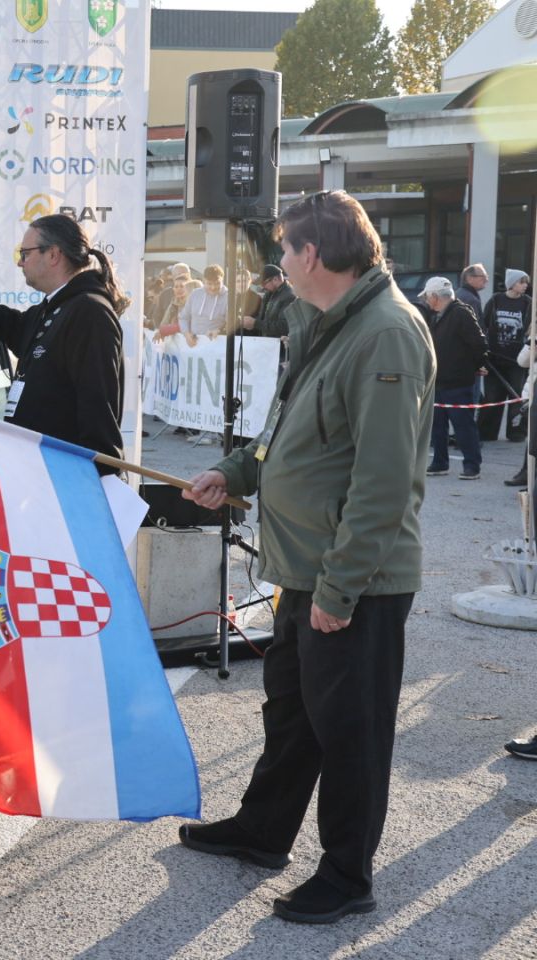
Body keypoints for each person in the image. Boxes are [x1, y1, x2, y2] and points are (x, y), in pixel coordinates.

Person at [178, 190, 435, 925]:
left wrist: (340, 589)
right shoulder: (323, 321)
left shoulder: (386, 333)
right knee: (291, 713)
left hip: (352, 582)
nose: (279, 262)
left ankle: (347, 876)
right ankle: (263, 832)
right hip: (304, 569)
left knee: (350, 733)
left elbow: (383, 482)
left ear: (313, 253)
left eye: (285, 249)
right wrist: (232, 471)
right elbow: (282, 433)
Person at [0, 212, 127, 471]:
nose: (20, 263)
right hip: (39, 468)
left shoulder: (88, 312)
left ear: (53, 255)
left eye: (25, 253)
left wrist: (98, 477)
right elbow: (17, 328)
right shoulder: (57, 306)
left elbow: (98, 410)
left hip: (63, 475)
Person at [423, 276, 486, 480]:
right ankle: (440, 462)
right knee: (437, 425)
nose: (426, 301)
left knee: (463, 425)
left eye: (427, 296)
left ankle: (472, 465)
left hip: (458, 381)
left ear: (435, 296)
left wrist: (475, 366)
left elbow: (479, 344)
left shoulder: (461, 313)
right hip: (438, 380)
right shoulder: (436, 315)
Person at [479, 269, 531, 443]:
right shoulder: (496, 300)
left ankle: (516, 432)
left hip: (517, 360)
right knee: (492, 396)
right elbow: (483, 324)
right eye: (521, 282)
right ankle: (487, 432)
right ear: (511, 283)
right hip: (494, 358)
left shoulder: (528, 302)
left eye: (526, 282)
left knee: (516, 395)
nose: (525, 285)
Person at [242, 264, 296, 339]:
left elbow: (283, 327)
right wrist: (251, 323)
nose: (262, 287)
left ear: (275, 279)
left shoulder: (289, 296)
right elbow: (264, 318)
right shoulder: (270, 293)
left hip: (278, 343)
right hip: (268, 341)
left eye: (264, 283)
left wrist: (255, 323)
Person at [179, 264, 229, 341]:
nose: (213, 287)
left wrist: (220, 331)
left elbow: (232, 324)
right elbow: (184, 317)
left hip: (217, 344)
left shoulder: (228, 297)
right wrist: (186, 334)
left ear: (222, 280)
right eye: (209, 283)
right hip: (194, 343)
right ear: (204, 280)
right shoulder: (195, 294)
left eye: (217, 283)